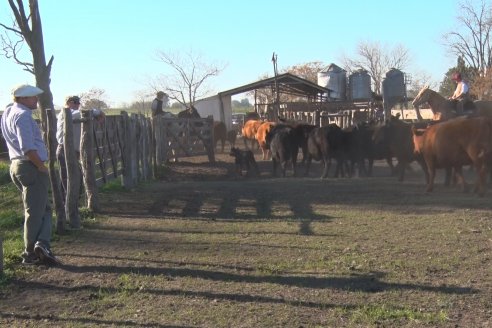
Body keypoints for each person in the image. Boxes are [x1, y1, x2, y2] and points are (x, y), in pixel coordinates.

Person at [0, 84, 60, 265]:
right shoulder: (23, 115)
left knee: (43, 208)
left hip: (17, 165)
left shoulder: (8, 112)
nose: (36, 100)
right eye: (33, 97)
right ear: (24, 98)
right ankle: (31, 253)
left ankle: (41, 245)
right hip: (30, 166)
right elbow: (27, 146)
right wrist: (40, 166)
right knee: (35, 211)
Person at [56, 95, 105, 201]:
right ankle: (68, 203)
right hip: (65, 150)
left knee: (71, 176)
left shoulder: (73, 114)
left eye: (78, 102)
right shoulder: (67, 113)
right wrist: (99, 113)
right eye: (75, 102)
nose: (78, 104)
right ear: (69, 102)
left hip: (72, 150)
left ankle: (71, 202)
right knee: (68, 177)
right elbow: (88, 112)